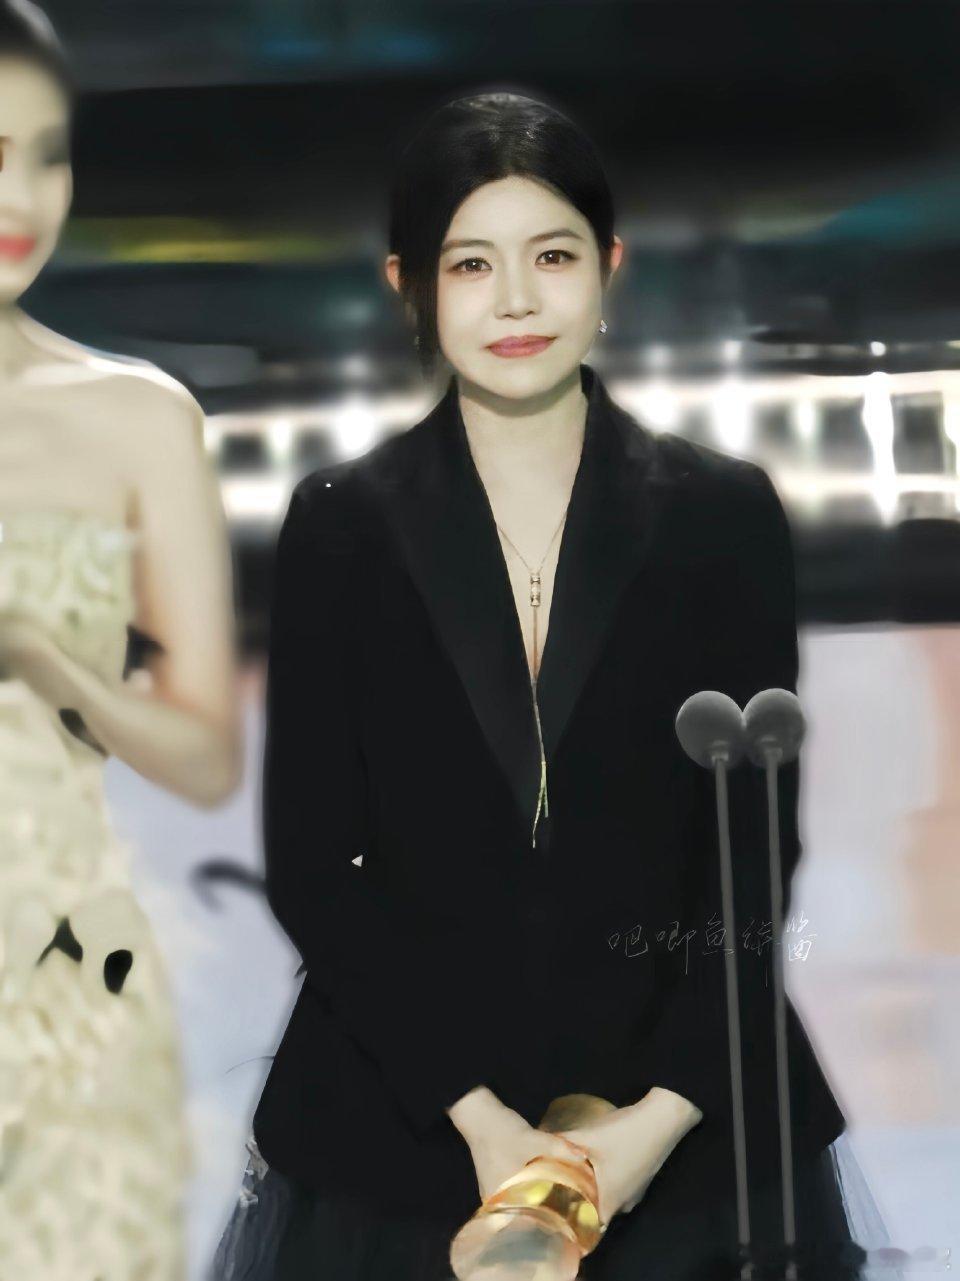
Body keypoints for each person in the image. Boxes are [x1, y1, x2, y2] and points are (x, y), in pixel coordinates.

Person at [213, 91, 895, 1280]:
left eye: (553, 256)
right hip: (406, 1123)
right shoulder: (342, 526)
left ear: (609, 266)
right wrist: (482, 1125)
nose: (517, 301)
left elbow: (750, 856)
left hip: (682, 1122)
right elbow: (316, 869)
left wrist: (651, 1128)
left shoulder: (721, 515)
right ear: (408, 284)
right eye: (472, 263)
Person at [0, 2, 243, 1277]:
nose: (23, 199)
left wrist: (48, 661)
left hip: (68, 981)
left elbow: (207, 758)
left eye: (47, 154)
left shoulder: (139, 419)